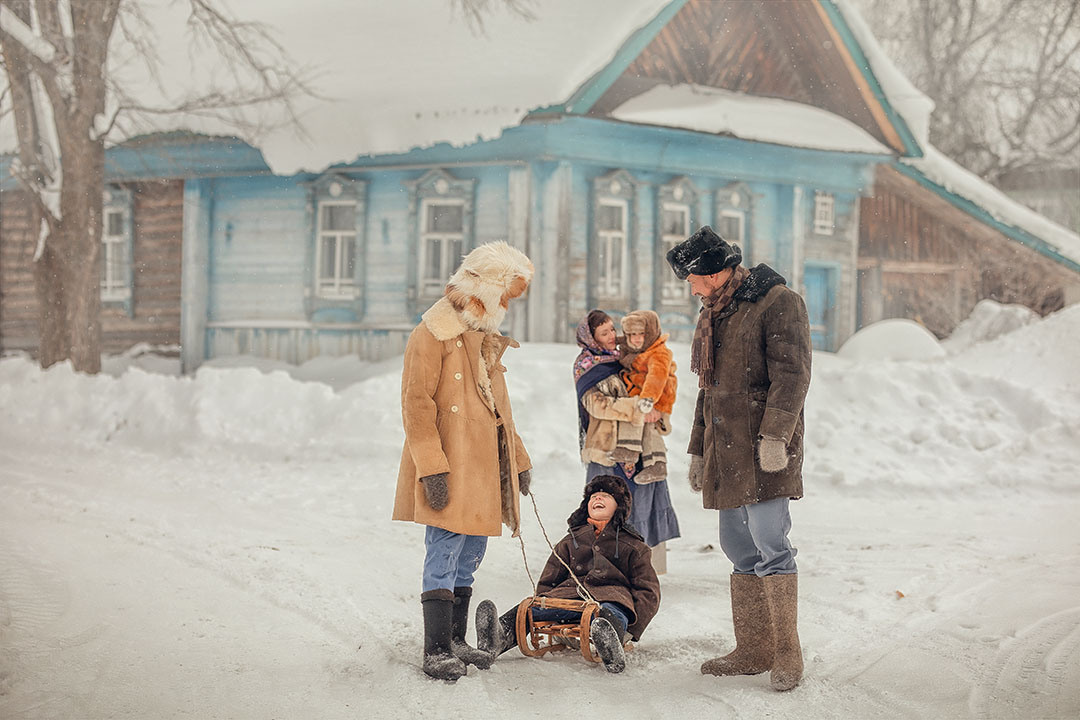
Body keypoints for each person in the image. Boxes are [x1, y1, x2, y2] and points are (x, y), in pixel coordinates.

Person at [666, 225, 812, 692]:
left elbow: (793, 374)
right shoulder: (716, 312)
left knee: (771, 543)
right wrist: (696, 448)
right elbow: (706, 390)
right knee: (737, 547)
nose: (689, 287)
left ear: (714, 272)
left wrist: (776, 436)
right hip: (724, 450)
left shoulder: (777, 302)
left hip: (762, 449)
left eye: (692, 277)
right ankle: (753, 648)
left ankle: (787, 650)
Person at [392, 241, 535, 682]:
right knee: (445, 547)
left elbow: (501, 411)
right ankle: (435, 648)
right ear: (486, 289)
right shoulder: (432, 334)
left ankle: (455, 638)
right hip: (451, 464)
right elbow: (416, 405)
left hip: (484, 466)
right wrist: (432, 467)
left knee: (471, 550)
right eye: (505, 296)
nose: (507, 306)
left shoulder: (484, 339)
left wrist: (519, 459)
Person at [473, 475, 661, 674]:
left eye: (605, 496)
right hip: (568, 599)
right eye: (593, 496)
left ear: (619, 506)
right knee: (526, 609)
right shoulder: (571, 540)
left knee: (609, 614)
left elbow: (649, 591)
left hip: (609, 600)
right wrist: (541, 600)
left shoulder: (633, 546)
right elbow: (551, 575)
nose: (598, 499)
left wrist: (633, 630)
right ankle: (497, 638)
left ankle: (611, 641)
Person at [573, 310, 681, 554]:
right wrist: (637, 409)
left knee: (640, 505)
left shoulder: (628, 356)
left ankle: (642, 564)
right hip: (606, 448)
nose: (612, 335)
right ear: (591, 338)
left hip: (640, 446)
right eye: (604, 332)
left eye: (612, 329)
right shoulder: (587, 365)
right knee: (606, 507)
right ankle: (604, 563)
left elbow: (657, 382)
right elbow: (597, 405)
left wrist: (657, 410)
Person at [612, 309, 678, 484]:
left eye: (642, 334)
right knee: (640, 421)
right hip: (643, 397)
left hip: (657, 398)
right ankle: (632, 452)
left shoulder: (659, 352)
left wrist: (649, 401)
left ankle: (655, 462)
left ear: (651, 333)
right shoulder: (635, 350)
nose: (636, 339)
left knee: (648, 427)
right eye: (632, 334)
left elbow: (656, 378)